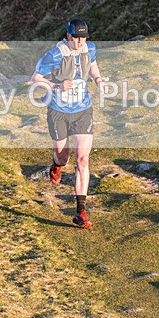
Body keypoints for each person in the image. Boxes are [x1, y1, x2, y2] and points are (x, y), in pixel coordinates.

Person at [31, 19, 106, 229]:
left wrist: (99, 80)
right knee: (63, 157)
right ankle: (56, 165)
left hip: (82, 111)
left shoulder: (89, 48)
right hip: (58, 113)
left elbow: (92, 64)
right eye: (77, 37)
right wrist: (57, 85)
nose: (81, 41)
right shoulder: (54, 55)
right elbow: (35, 78)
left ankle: (81, 211)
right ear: (68, 35)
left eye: (84, 37)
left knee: (82, 159)